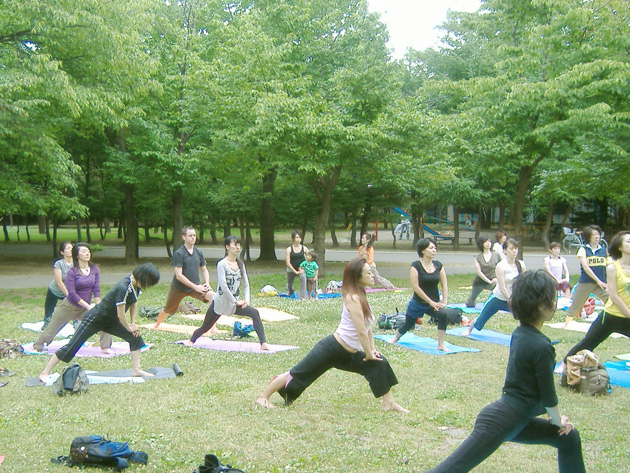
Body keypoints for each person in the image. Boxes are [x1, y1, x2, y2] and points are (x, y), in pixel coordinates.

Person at [425, 270, 585, 473]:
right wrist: (557, 421)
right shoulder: (541, 345)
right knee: (450, 469)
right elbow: (548, 394)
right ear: (539, 306)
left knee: (569, 439)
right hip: (502, 421)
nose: (555, 303)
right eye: (552, 299)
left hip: (517, 419)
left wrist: (556, 422)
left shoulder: (521, 332)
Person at [256, 257, 407, 412]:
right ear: (358, 276)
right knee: (298, 373)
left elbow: (367, 327)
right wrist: (368, 353)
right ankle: (263, 397)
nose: (373, 275)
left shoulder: (361, 295)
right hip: (332, 349)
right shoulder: (353, 298)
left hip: (348, 354)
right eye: (369, 273)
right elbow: (360, 330)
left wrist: (372, 351)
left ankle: (389, 402)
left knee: (379, 363)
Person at [38, 263, 161, 384]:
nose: (148, 286)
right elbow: (121, 314)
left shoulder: (135, 285)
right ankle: (45, 373)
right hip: (95, 319)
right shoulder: (124, 287)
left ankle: (137, 370)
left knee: (135, 337)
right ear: (143, 278)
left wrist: (133, 324)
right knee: (72, 346)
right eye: (149, 283)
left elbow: (133, 302)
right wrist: (128, 327)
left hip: (111, 321)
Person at [558, 231, 630, 374]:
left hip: (627, 316)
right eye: (628, 241)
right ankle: (564, 363)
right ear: (620, 247)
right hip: (611, 317)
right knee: (588, 342)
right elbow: (614, 296)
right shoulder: (612, 268)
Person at [186, 236, 269, 350]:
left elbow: (246, 284)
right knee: (205, 327)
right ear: (227, 247)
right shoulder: (221, 264)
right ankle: (191, 341)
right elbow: (223, 286)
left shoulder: (240, 264)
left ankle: (263, 343)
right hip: (220, 302)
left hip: (235, 304)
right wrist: (236, 301)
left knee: (254, 313)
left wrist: (246, 300)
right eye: (235, 245)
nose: (238, 247)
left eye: (239, 245)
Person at [34, 242, 112, 354]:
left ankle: (105, 347)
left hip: (85, 308)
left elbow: (96, 289)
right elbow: (72, 293)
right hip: (69, 307)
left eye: (88, 251)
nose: (87, 253)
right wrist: (88, 306)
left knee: (104, 321)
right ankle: (38, 345)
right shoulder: (72, 272)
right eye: (83, 251)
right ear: (77, 255)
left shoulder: (94, 269)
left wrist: (98, 305)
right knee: (50, 331)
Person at [388, 237, 451, 351]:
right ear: (423, 250)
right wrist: (430, 302)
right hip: (418, 302)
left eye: (435, 248)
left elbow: (444, 284)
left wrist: (444, 301)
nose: (434, 250)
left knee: (443, 314)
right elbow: (416, 287)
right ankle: (396, 337)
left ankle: (440, 344)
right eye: (431, 248)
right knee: (409, 324)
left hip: (434, 303)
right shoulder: (415, 266)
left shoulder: (438, 265)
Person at [154, 226, 214, 328]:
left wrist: (207, 283)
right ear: (184, 237)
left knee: (214, 297)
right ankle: (156, 324)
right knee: (168, 309)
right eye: (190, 235)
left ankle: (212, 328)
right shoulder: (179, 253)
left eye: (194, 235)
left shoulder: (198, 253)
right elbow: (179, 275)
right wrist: (195, 287)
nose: (193, 238)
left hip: (195, 287)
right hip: (179, 288)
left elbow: (204, 269)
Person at [464, 238, 526, 336]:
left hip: (513, 298)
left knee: (524, 316)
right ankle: (469, 330)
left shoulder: (521, 264)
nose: (514, 251)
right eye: (511, 249)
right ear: (505, 251)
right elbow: (503, 288)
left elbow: (523, 283)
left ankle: (526, 334)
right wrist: (510, 300)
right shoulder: (501, 266)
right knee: (482, 318)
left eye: (516, 248)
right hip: (498, 298)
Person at [562, 225, 608, 327]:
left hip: (601, 283)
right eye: (593, 234)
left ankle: (613, 323)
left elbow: (609, 266)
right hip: (586, 282)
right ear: (588, 237)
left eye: (598, 234)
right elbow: (586, 268)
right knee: (576, 304)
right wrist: (598, 281)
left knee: (610, 301)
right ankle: (566, 324)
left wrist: (608, 282)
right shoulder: (583, 250)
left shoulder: (604, 250)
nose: (596, 236)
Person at [42, 241, 73, 329]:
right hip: (55, 290)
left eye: (72, 248)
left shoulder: (77, 263)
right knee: (49, 308)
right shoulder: (59, 264)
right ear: (62, 252)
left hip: (70, 291)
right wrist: (68, 295)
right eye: (68, 248)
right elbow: (59, 281)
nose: (71, 250)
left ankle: (76, 322)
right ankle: (47, 322)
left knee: (73, 307)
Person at [466, 235, 501, 307]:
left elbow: (501, 267)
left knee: (499, 294)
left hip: (494, 280)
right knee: (471, 302)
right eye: (486, 242)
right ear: (482, 244)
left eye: (489, 241)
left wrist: (497, 278)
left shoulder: (496, 255)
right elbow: (479, 272)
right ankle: (470, 303)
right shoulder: (477, 257)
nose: (488, 243)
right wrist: (488, 281)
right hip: (480, 281)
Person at [285, 230, 308, 300]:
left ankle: (303, 296)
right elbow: (287, 263)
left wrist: (303, 269)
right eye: (296, 237)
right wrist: (295, 271)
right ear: (293, 239)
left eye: (299, 238)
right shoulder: (289, 249)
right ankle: (290, 291)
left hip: (301, 269)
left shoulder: (304, 248)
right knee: (290, 284)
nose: (298, 239)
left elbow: (309, 259)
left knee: (303, 278)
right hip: (291, 269)